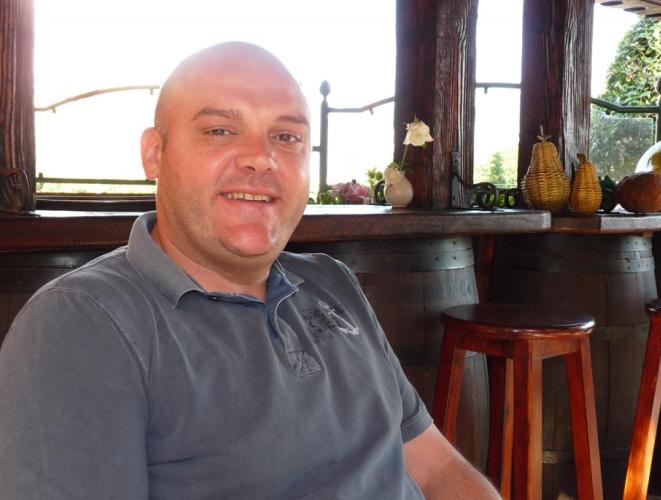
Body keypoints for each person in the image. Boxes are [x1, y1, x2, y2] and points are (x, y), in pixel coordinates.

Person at [0, 42, 501, 499]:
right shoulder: (80, 324)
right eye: (220, 130)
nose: (261, 158)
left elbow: (435, 465)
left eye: (286, 136)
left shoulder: (332, 282)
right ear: (155, 154)